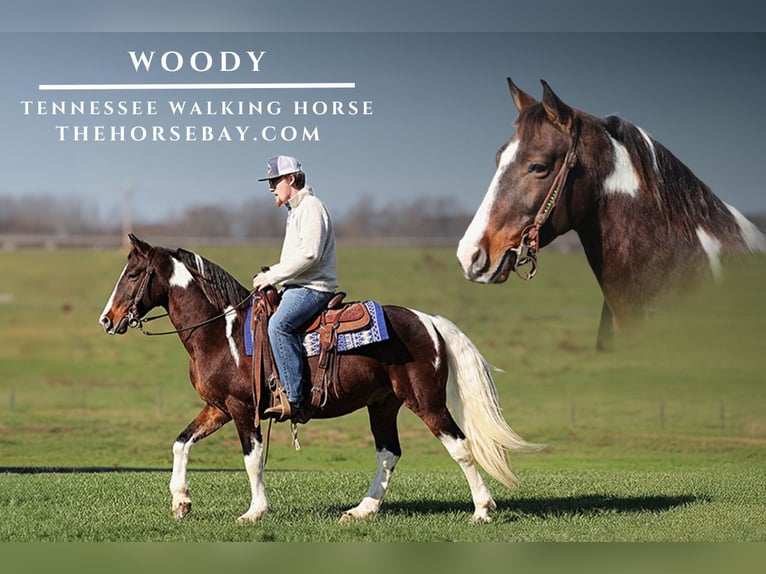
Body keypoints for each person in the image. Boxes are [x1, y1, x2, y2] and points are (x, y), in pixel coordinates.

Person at [252, 155, 338, 421]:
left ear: (291, 179)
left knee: (278, 326)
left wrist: (273, 276)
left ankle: (295, 398)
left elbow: (310, 254)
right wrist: (273, 274)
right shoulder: (296, 211)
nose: (271, 188)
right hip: (298, 286)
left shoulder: (311, 207)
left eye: (275, 181)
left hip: (313, 288)